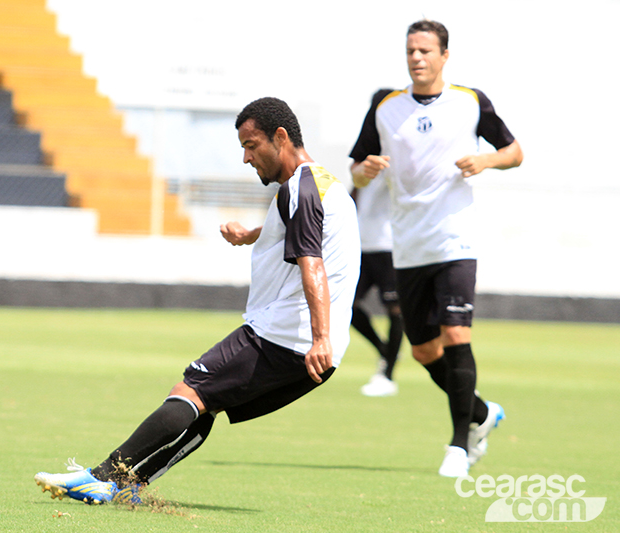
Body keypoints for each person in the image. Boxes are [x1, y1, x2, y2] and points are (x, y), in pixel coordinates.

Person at [34, 97, 360, 504]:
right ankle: (126, 487)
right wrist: (254, 235)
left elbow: (312, 263)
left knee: (190, 391)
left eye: (251, 145)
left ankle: (100, 476)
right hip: (317, 349)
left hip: (286, 336)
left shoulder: (300, 190)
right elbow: (308, 231)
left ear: (280, 138)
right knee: (207, 405)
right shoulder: (323, 186)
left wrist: (319, 336)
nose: (245, 157)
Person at [349, 20, 523, 478]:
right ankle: (482, 414)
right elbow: (356, 170)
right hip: (407, 245)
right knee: (425, 351)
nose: (417, 58)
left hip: (455, 239)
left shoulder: (470, 102)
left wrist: (486, 159)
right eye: (411, 50)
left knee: (457, 335)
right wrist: (365, 169)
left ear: (445, 55)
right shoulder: (387, 109)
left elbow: (514, 151)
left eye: (426, 50)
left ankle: (459, 446)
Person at [350, 165, 403, 397]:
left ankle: (388, 375)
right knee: (345, 304)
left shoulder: (393, 165)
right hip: (361, 247)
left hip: (388, 246)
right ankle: (385, 350)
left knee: (395, 309)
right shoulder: (362, 168)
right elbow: (353, 197)